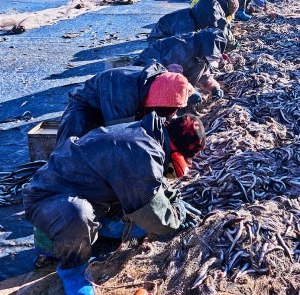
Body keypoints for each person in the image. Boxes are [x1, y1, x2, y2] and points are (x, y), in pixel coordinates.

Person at [24, 112, 205, 295]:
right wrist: (176, 218)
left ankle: (86, 232)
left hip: (82, 191)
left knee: (130, 214)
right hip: (47, 199)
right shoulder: (142, 150)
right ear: (175, 148)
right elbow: (157, 220)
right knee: (78, 214)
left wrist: (174, 199)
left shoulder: (149, 135)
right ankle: (72, 271)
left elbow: (152, 181)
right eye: (184, 157)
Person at [55, 62, 197, 146]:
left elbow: (182, 87)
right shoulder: (123, 94)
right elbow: (119, 136)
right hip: (86, 107)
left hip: (116, 105)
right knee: (72, 150)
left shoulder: (162, 80)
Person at [134, 27, 231, 100]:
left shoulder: (202, 52)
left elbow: (204, 73)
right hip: (147, 69)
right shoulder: (181, 49)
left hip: (171, 69)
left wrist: (214, 87)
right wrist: (190, 92)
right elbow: (169, 76)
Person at [148, 0, 233, 44]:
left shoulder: (200, 12)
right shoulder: (185, 23)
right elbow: (182, 43)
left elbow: (220, 30)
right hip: (158, 41)